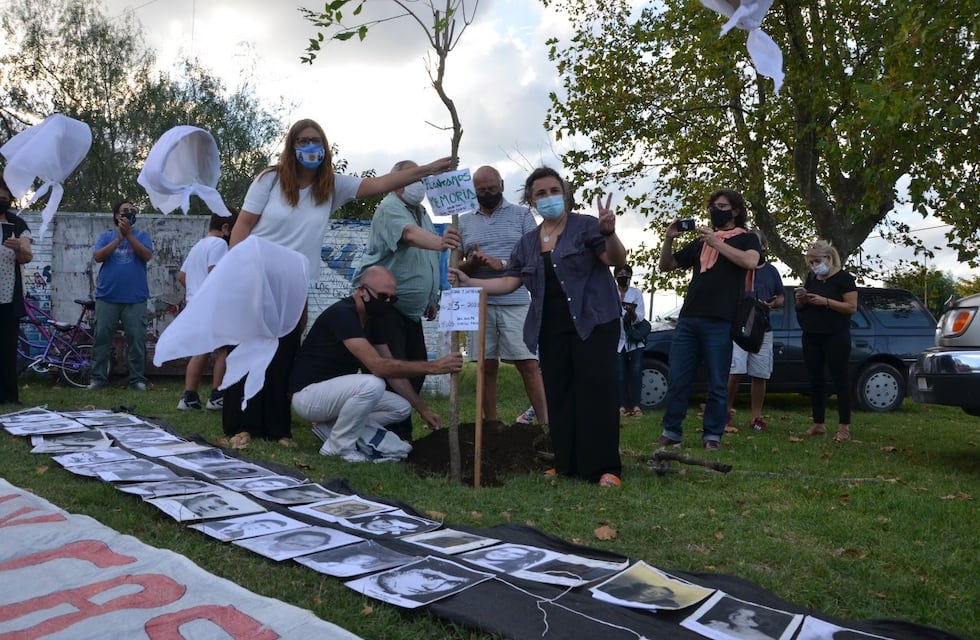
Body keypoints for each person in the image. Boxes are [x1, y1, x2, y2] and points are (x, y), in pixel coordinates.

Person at [225, 119, 454, 448]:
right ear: (291, 146)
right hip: (255, 275)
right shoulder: (269, 180)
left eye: (317, 141)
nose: (310, 147)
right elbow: (243, 225)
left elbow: (378, 184)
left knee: (284, 350)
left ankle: (278, 429)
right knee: (248, 348)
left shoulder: (330, 186)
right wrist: (235, 270)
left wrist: (428, 169)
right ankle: (241, 424)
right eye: (303, 141)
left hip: (294, 282)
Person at [449, 167, 626, 487]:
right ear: (530, 199)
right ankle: (566, 462)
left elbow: (615, 260)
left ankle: (605, 467)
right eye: (540, 193)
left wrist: (609, 233)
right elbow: (509, 281)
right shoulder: (528, 243)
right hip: (551, 324)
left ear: (565, 193)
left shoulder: (587, 225)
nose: (548, 198)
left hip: (595, 321)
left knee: (595, 393)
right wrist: (469, 280)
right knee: (560, 393)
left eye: (553, 191)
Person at [289, 265, 463, 462]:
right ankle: (338, 447)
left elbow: (389, 366)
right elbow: (379, 367)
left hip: (333, 396)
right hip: (308, 396)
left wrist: (422, 410)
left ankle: (333, 429)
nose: (387, 302)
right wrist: (433, 367)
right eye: (382, 296)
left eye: (392, 298)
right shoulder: (343, 314)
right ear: (362, 291)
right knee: (373, 384)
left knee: (401, 408)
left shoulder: (373, 320)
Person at [350, 160, 461, 443]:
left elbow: (427, 260)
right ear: (395, 183)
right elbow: (410, 237)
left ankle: (396, 429)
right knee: (391, 370)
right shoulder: (389, 208)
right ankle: (384, 432)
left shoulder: (421, 211)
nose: (417, 185)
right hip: (385, 306)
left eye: (420, 179)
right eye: (410, 179)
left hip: (411, 311)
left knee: (415, 366)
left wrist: (432, 295)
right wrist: (439, 242)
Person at [656, 189, 761, 451]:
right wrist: (669, 239)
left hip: (721, 321)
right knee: (679, 378)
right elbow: (666, 265)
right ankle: (672, 431)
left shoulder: (747, 238)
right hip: (688, 319)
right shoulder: (701, 243)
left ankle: (712, 434)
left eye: (722, 205)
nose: (716, 209)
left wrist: (718, 243)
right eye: (713, 205)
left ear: (735, 211)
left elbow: (750, 261)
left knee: (717, 382)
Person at [458, 165, 548, 426]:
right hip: (479, 303)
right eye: (481, 190)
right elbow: (456, 269)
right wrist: (473, 263)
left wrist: (504, 264)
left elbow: (535, 256)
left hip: (516, 302)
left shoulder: (522, 216)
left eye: (492, 189)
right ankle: (491, 425)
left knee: (529, 364)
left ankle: (545, 425)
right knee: (485, 367)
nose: (486, 194)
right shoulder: (463, 222)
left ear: (503, 186)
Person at [176, 209, 238, 411]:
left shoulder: (199, 245)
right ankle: (217, 395)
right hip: (213, 305)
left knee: (201, 349)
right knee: (224, 349)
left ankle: (189, 396)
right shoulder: (220, 244)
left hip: (196, 303)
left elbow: (182, 276)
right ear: (226, 228)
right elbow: (216, 273)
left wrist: (196, 293)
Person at [796, 240, 857, 443]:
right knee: (815, 381)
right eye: (811, 262)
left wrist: (826, 302)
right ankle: (818, 423)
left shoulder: (844, 279)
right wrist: (802, 301)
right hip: (812, 334)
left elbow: (851, 307)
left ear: (829, 258)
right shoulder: (812, 278)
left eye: (817, 261)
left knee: (840, 381)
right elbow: (802, 307)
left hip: (836, 335)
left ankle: (844, 427)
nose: (814, 266)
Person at [89, 199, 153, 391]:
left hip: (135, 298)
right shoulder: (106, 236)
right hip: (107, 297)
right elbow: (98, 257)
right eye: (125, 211)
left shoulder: (142, 236)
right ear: (117, 216)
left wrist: (129, 236)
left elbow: (146, 256)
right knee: (101, 339)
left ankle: (137, 380)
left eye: (133, 211)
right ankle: (98, 379)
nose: (129, 213)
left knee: (136, 340)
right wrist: (119, 238)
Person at [726, 229, 785, 432]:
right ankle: (726, 413)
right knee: (736, 371)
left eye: (755, 242)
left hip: (763, 328)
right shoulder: (736, 268)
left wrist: (772, 303)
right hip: (739, 327)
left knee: (759, 374)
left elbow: (781, 297)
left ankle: (756, 418)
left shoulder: (772, 271)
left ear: (764, 246)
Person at [0, 174, 32, 406]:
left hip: (8, 298)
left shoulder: (18, 224)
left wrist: (19, 248)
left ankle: (9, 397)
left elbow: (27, 258)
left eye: (4, 197)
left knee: (7, 349)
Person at [614, 264, 646, 418]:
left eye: (626, 273)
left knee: (636, 372)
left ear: (630, 276)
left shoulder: (636, 293)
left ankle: (636, 405)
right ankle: (620, 405)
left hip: (634, 340)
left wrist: (632, 313)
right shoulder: (610, 292)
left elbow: (640, 316)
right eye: (620, 273)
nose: (623, 275)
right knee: (619, 373)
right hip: (617, 340)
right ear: (615, 276)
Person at [703, 606, 778, 640]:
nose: (737, 616)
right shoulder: (718, 625)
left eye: (748, 618)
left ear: (756, 624)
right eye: (738, 613)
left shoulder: (763, 638)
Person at [601, 581, 681, 608]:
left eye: (661, 593)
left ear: (664, 597)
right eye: (652, 590)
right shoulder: (622, 590)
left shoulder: (666, 604)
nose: (654, 593)